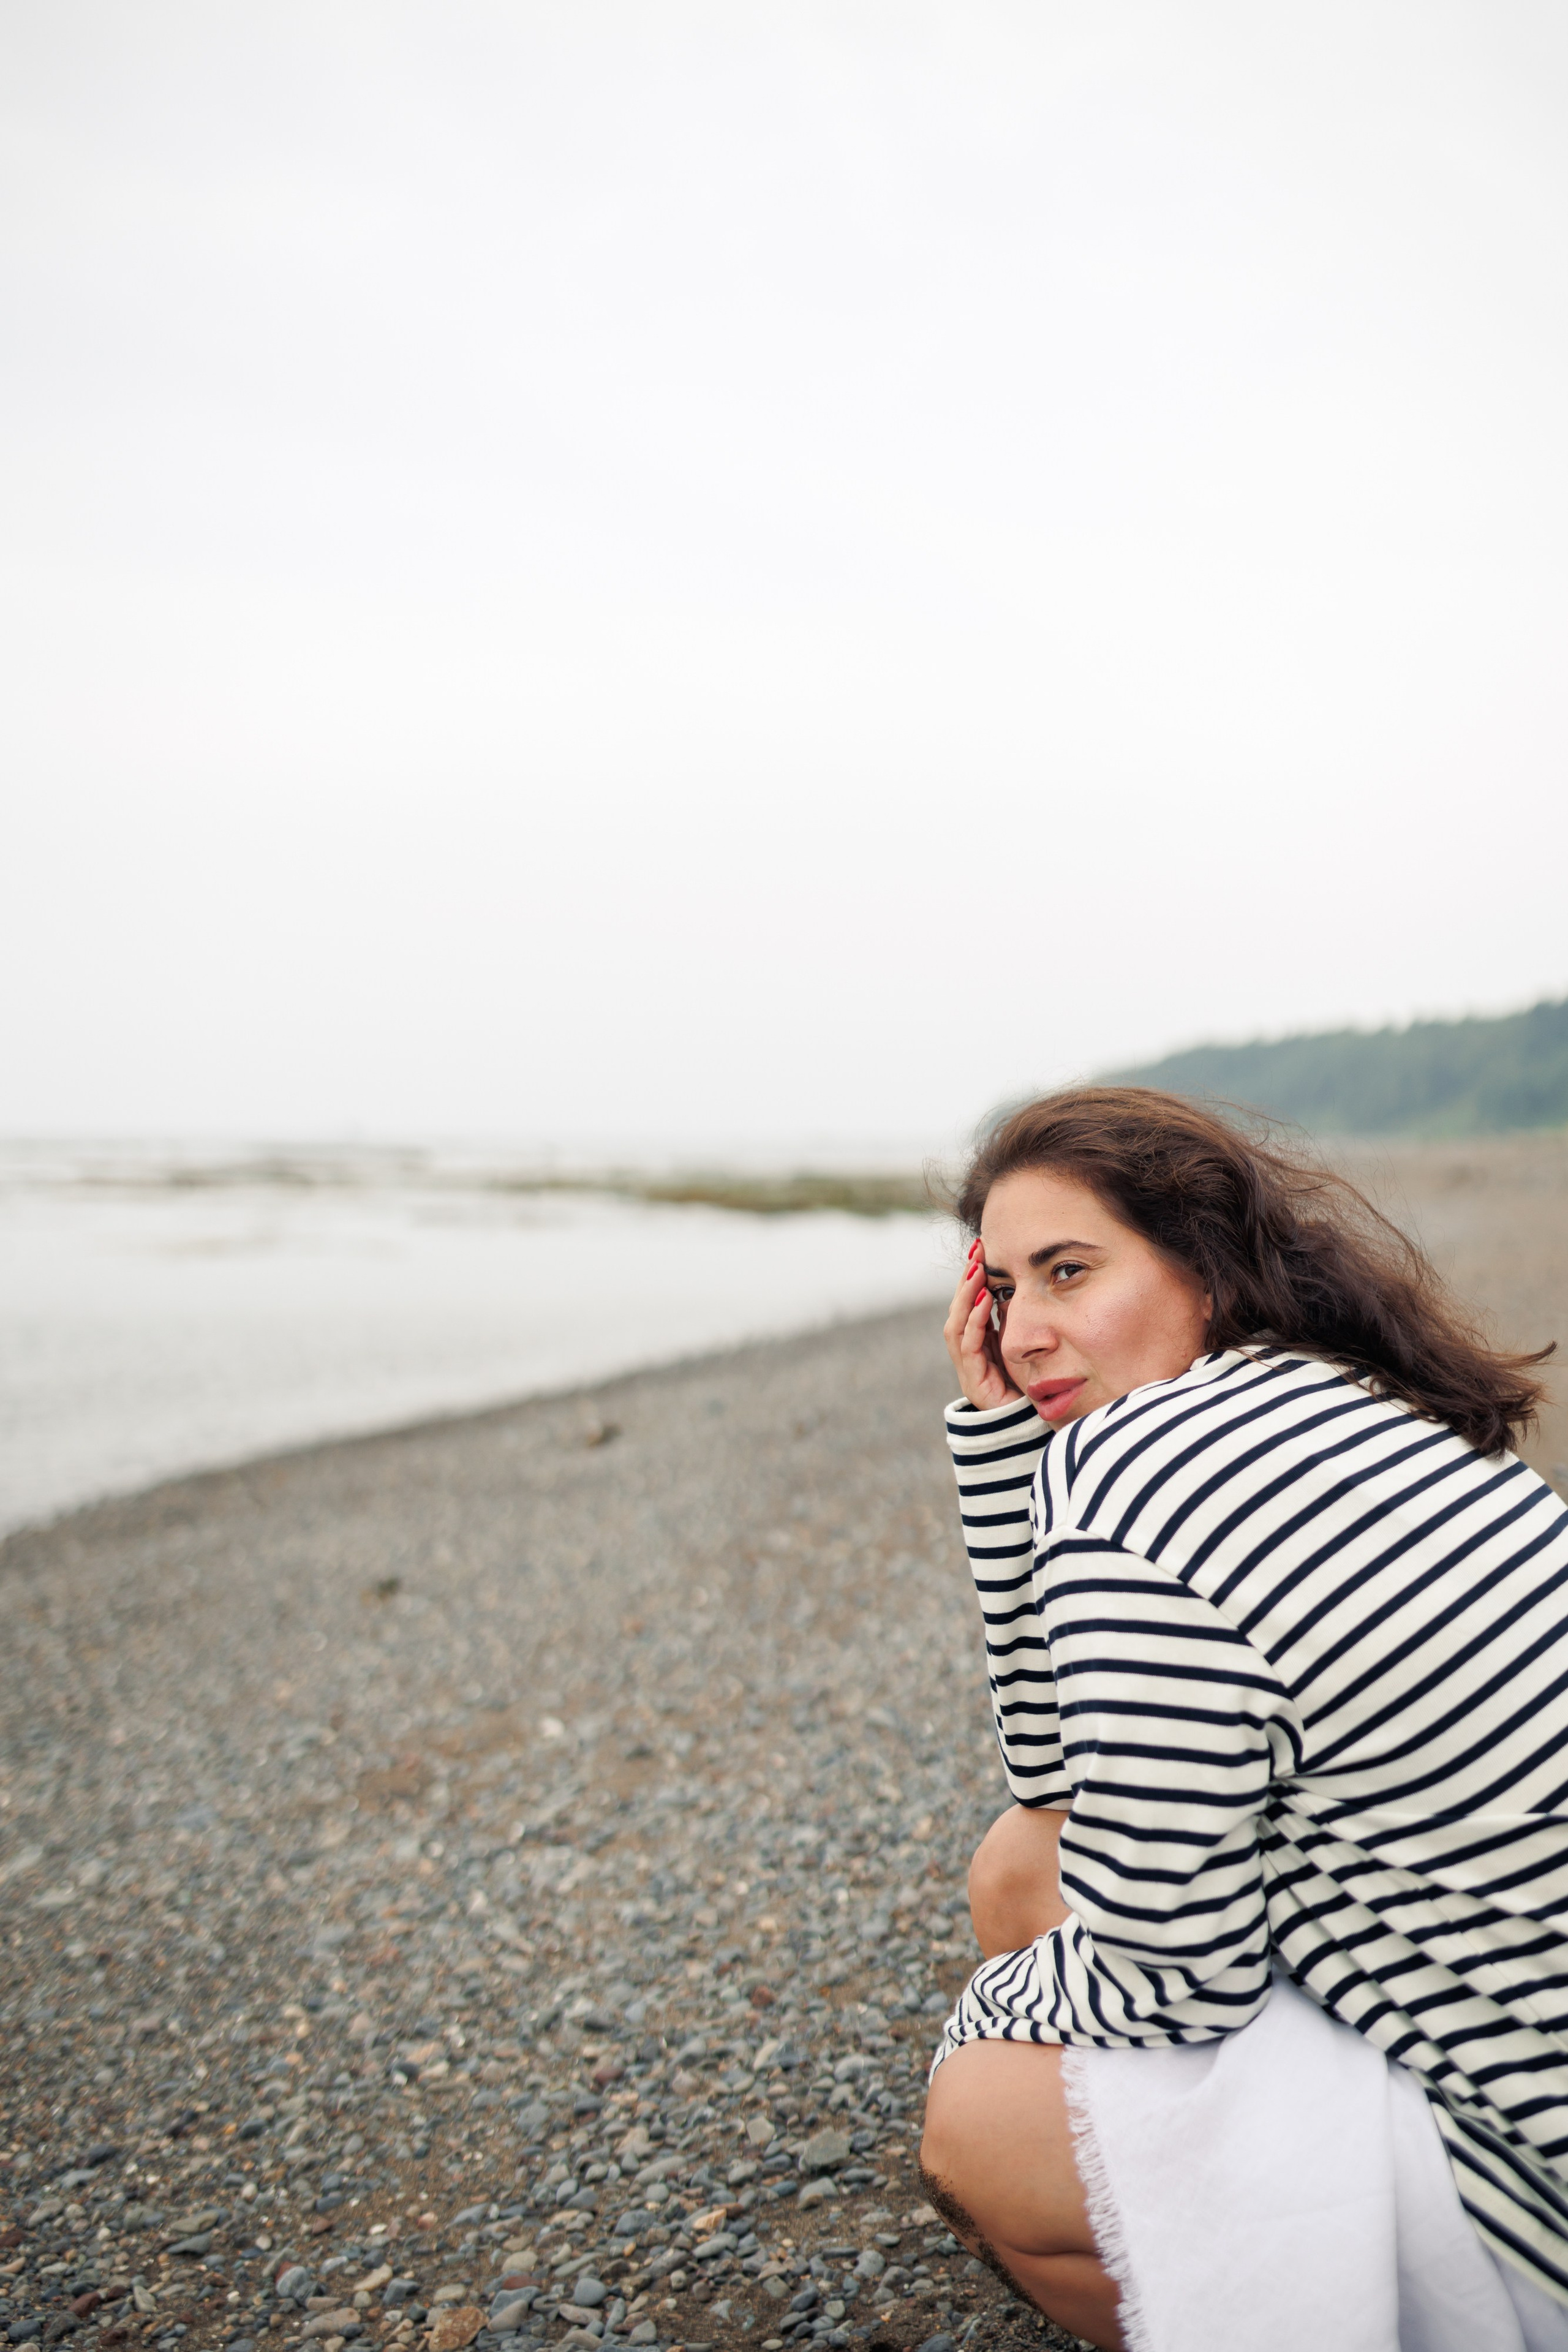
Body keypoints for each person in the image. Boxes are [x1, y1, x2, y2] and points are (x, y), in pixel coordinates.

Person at [917, 1087, 1568, 2352]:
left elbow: (1178, 1978)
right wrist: (1005, 1453)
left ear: (1202, 1270)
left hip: (1523, 2158)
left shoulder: (1135, 1485)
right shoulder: (1343, 1393)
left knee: (969, 2127)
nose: (1028, 1331)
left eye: (1068, 1271)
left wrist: (981, 2016)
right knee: (1018, 1871)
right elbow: (1051, 1788)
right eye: (1004, 1289)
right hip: (1510, 2004)